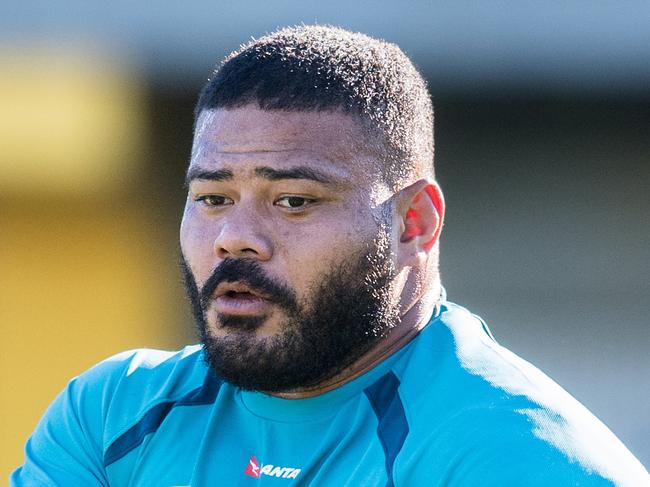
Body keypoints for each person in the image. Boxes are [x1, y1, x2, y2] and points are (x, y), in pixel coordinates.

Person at [11, 25, 649, 486]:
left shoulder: (520, 459)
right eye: (211, 197)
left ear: (415, 222)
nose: (234, 237)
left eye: (292, 200)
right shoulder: (113, 416)